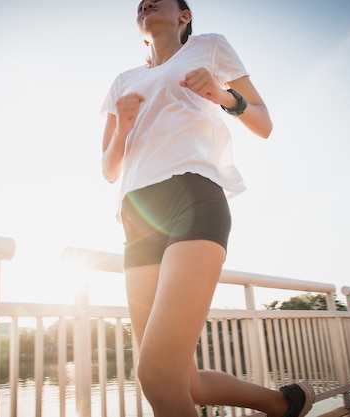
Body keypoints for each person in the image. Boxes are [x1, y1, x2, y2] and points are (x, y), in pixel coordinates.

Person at [100, 1, 315, 416]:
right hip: (137, 216)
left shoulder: (210, 47)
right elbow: (109, 169)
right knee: (183, 381)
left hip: (193, 198)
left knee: (157, 375)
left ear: (184, 17)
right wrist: (122, 128)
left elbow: (263, 124)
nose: (145, 4)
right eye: (140, 4)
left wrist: (221, 95)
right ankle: (283, 403)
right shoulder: (123, 81)